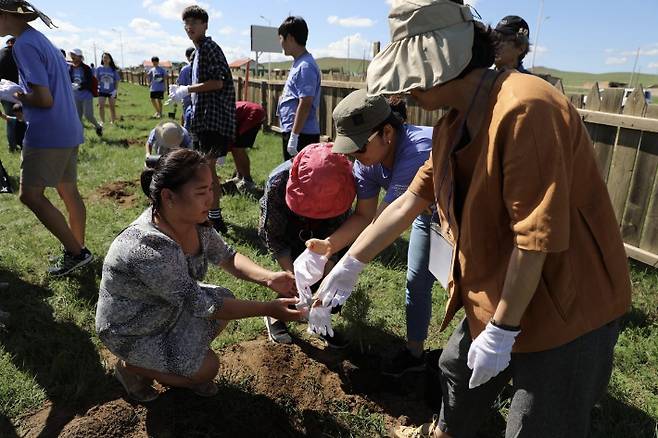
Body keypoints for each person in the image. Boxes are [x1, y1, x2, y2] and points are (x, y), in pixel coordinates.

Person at [312, 1, 632, 437]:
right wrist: (350, 263)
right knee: (454, 370)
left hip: (566, 304)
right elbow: (409, 201)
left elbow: (533, 239)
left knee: (537, 422)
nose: (403, 94)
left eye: (409, 78)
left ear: (442, 64)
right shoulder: (451, 127)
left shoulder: (526, 107)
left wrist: (501, 331)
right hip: (501, 287)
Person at [96, 148, 304, 402]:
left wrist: (268, 277)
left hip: (164, 310)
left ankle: (176, 363)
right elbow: (205, 305)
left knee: (223, 297)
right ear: (169, 196)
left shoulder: (193, 221)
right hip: (130, 329)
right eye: (201, 192)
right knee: (208, 369)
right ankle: (130, 366)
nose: (211, 198)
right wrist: (269, 309)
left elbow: (227, 257)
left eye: (210, 189)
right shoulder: (148, 247)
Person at [299, 89, 434, 376]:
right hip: (428, 216)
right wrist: (330, 244)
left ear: (387, 132)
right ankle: (415, 355)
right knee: (417, 281)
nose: (354, 157)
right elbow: (365, 215)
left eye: (358, 147)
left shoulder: (418, 150)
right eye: (348, 150)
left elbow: (391, 218)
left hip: (469, 219)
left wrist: (350, 264)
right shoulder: (368, 163)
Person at [0, 1, 92, 276]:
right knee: (68, 192)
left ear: (4, 15)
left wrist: (14, 94)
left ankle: (77, 252)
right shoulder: (40, 40)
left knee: (29, 196)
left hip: (47, 133)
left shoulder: (24, 46)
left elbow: (43, 98)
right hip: (68, 129)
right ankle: (77, 249)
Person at [258, 143, 355, 347]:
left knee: (327, 280)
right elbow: (274, 236)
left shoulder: (343, 179)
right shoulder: (277, 183)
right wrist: (292, 277)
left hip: (327, 234)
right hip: (290, 230)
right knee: (295, 279)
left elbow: (339, 232)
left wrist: (330, 274)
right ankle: (275, 315)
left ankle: (318, 318)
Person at [168, 5, 236, 235]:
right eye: (186, 23)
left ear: (205, 25)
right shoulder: (197, 53)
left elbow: (218, 82)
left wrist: (187, 89)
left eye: (195, 23)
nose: (190, 27)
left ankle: (214, 219)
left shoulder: (209, 48)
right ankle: (205, 215)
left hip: (214, 118)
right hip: (203, 118)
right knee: (203, 168)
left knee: (207, 169)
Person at [277, 16, 321, 160]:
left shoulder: (305, 66)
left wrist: (294, 136)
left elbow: (306, 102)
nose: (280, 43)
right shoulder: (299, 63)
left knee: (299, 179)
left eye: (281, 38)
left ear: (289, 37)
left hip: (302, 134)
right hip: (297, 131)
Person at [223, 100, 265, 196]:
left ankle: (248, 181)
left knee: (238, 148)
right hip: (247, 114)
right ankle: (239, 176)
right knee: (235, 148)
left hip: (253, 114)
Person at [69, 48, 103, 137]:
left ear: (80, 57)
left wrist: (80, 86)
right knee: (78, 117)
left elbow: (90, 82)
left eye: (74, 55)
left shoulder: (86, 68)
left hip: (86, 94)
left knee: (88, 115)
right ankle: (79, 136)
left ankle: (98, 126)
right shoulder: (71, 68)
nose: (72, 57)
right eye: (71, 55)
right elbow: (69, 79)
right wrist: (71, 84)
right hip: (76, 95)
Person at [0, 36, 18, 152]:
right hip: (12, 90)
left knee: (10, 118)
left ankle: (13, 145)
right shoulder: (16, 54)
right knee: (14, 119)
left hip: (1, 89)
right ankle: (13, 146)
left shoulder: (1, 52)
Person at [95, 52, 120, 125]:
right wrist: (97, 87)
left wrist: (115, 90)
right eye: (104, 57)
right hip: (102, 91)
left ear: (110, 59)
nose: (105, 59)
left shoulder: (113, 69)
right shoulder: (99, 68)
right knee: (101, 106)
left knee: (112, 107)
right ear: (102, 59)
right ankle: (102, 121)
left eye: (107, 58)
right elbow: (96, 79)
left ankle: (113, 121)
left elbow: (117, 80)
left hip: (111, 91)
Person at [176, 46, 195, 130]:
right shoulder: (199, 67)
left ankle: (184, 132)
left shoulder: (185, 69)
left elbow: (180, 84)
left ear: (187, 57)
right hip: (198, 98)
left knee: (186, 115)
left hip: (186, 98)